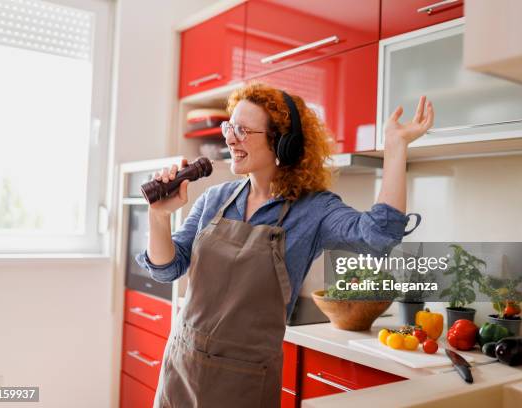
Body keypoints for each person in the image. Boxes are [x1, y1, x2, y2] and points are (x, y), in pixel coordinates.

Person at [135, 82, 434, 407]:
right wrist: (159, 217)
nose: (230, 138)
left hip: (244, 380)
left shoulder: (314, 210)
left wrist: (395, 148)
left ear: (283, 144)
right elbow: (167, 269)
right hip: (182, 365)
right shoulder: (215, 199)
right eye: (228, 127)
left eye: (242, 130)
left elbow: (379, 236)